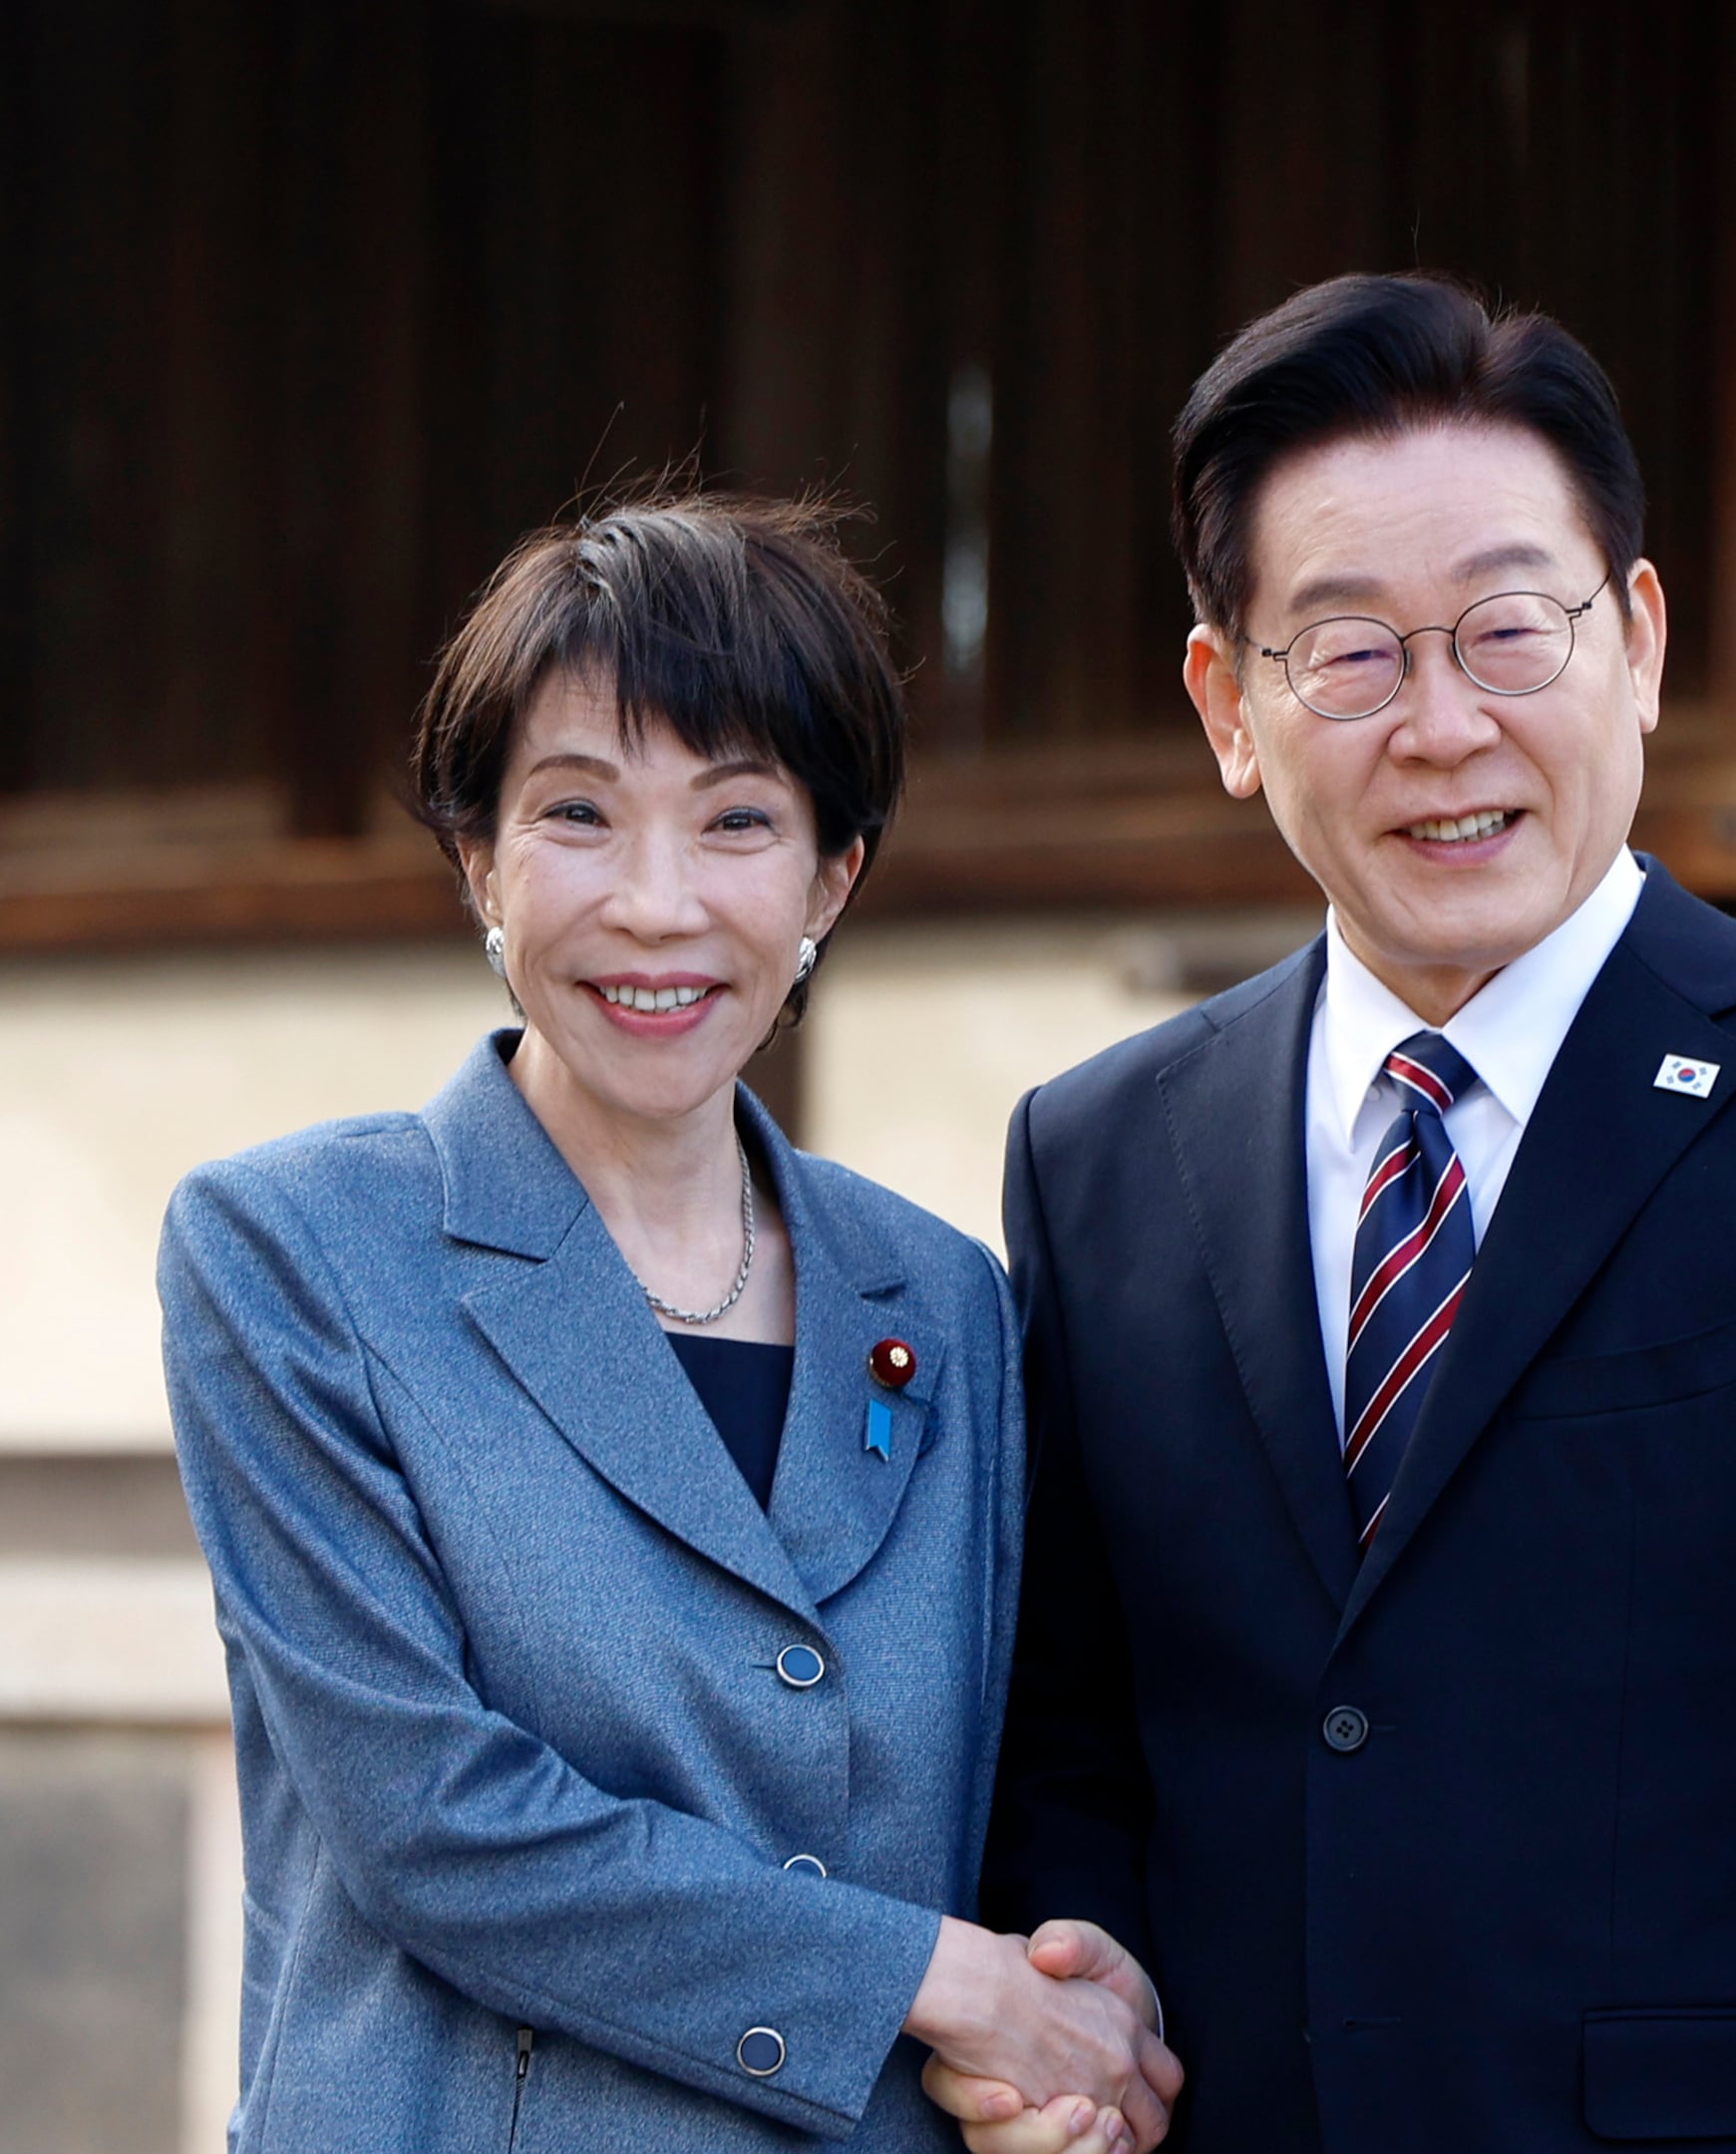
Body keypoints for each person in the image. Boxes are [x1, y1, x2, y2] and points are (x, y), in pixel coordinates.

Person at [939, 276, 1736, 2152]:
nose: (1443, 727)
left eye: (1511, 631)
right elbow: (1079, 1734)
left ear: (1639, 645)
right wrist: (1078, 2003)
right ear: (1227, 706)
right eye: (1348, 654)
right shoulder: (1102, 1157)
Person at [163, 496, 1181, 2152]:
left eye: (735, 822)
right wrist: (940, 1980)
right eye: (578, 814)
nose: (654, 904)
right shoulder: (297, 1255)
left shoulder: (947, 1304)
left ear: (830, 880)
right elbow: (436, 1827)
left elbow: (1018, 1778)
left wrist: (1064, 2018)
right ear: (480, 858)